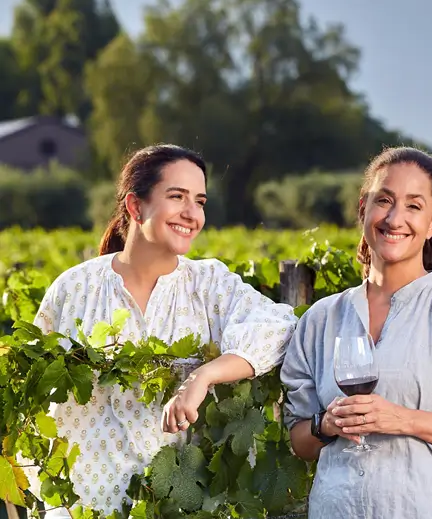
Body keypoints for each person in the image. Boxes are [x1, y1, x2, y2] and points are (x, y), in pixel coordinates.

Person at [33, 144, 297, 516]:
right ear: (135, 206)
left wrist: (203, 377)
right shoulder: (73, 289)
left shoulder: (209, 285)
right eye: (177, 197)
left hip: (181, 509)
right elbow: (36, 398)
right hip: (84, 506)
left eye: (201, 201)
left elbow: (280, 327)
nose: (192, 214)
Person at [280, 147, 432, 519]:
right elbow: (299, 439)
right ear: (363, 208)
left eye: (414, 206)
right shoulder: (320, 320)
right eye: (384, 200)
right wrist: (326, 424)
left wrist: (404, 420)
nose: (395, 218)